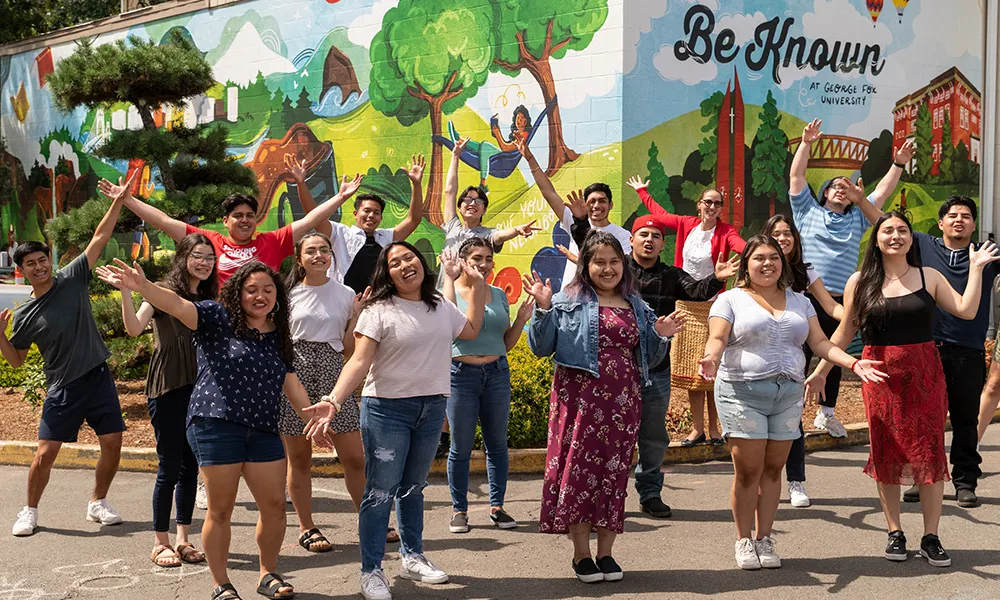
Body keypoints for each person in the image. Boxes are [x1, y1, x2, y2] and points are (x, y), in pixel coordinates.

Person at [99, 259, 331, 600]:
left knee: (275, 507)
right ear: (238, 293)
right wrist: (143, 288)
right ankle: (221, 583)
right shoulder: (216, 318)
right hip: (215, 424)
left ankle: (267, 574)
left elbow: (289, 380)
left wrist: (311, 415)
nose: (260, 296)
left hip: (264, 429)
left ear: (278, 297)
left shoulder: (277, 334)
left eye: (268, 290)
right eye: (252, 289)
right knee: (221, 509)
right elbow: (175, 304)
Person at [806, 211, 999, 568]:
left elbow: (966, 310)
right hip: (878, 375)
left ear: (911, 238)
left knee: (929, 453)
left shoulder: (929, 276)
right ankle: (895, 532)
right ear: (876, 239)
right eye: (888, 231)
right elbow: (844, 332)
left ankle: (931, 536)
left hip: (925, 373)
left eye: (903, 231)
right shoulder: (860, 281)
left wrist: (975, 270)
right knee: (887, 454)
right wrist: (821, 371)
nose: (896, 236)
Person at [301, 241, 486, 600]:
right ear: (388, 273)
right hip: (387, 409)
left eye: (410, 258)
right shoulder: (378, 310)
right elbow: (358, 362)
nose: (405, 265)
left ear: (421, 262)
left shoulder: (440, 305)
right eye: (395, 262)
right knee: (380, 491)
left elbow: (471, 331)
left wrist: (476, 287)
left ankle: (412, 556)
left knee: (413, 487)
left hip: (431, 408)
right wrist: (333, 401)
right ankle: (371, 571)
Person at [698, 235, 884, 571]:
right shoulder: (730, 300)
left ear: (783, 263)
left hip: (788, 395)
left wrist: (852, 363)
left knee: (772, 470)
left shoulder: (800, 301)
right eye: (758, 258)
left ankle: (764, 538)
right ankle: (743, 539)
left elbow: (820, 343)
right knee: (749, 471)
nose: (767, 263)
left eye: (774, 257)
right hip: (743, 392)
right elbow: (717, 337)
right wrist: (711, 357)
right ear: (746, 264)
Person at [525, 231, 684, 583]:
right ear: (586, 266)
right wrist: (543, 308)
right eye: (599, 262)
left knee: (613, 477)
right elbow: (540, 347)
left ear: (622, 265)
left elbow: (650, 358)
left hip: (623, 404)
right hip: (579, 404)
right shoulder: (568, 301)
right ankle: (582, 555)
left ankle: (606, 553)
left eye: (614, 262)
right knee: (579, 476)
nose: (608, 268)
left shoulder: (637, 305)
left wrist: (661, 334)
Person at [570, 206, 739, 519]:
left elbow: (698, 292)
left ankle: (650, 492)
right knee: (607, 434)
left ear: (664, 246)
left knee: (653, 436)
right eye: (644, 235)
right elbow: (589, 250)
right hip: (613, 369)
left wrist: (715, 279)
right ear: (631, 240)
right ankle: (605, 495)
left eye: (656, 237)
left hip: (655, 371)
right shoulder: (617, 271)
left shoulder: (671, 276)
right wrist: (582, 223)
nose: (649, 240)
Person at [2, 174, 135, 538]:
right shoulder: (25, 314)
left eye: (43, 259)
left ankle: (98, 502)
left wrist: (118, 201)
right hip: (62, 387)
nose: (40, 266)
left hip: (97, 376)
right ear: (22, 270)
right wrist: (0, 335)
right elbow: (16, 360)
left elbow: (99, 238)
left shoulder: (71, 277)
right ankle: (29, 510)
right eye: (31, 264)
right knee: (45, 453)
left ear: (49, 259)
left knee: (112, 443)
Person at [789, 118, 915, 437]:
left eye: (848, 187)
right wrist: (805, 142)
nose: (843, 189)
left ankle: (826, 413)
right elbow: (796, 175)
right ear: (825, 192)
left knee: (834, 354)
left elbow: (882, 194)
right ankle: (790, 412)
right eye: (836, 185)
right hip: (804, 295)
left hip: (839, 299)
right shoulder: (807, 211)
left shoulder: (857, 217)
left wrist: (898, 164)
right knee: (796, 354)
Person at [104, 233, 216, 566]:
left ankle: (182, 539)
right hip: (167, 387)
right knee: (169, 466)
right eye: (198, 256)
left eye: (210, 257)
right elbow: (134, 328)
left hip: (200, 389)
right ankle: (159, 542)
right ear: (183, 257)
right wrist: (127, 289)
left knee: (190, 467)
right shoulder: (160, 291)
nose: (205, 263)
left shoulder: (212, 297)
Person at [628, 176, 747, 448]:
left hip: (714, 304)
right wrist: (643, 192)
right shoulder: (687, 224)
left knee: (712, 367)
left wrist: (760, 252)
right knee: (692, 371)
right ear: (699, 205)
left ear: (720, 208)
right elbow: (659, 215)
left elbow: (741, 246)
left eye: (717, 204)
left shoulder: (726, 231)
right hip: (686, 303)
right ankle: (697, 429)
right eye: (708, 202)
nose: (712, 207)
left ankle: (716, 429)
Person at [897, 196, 999, 508]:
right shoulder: (923, 245)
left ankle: (965, 480)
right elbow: (885, 225)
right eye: (952, 215)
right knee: (926, 419)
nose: (959, 220)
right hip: (926, 348)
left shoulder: (986, 254)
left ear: (973, 224)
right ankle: (923, 477)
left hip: (968, 350)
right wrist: (862, 200)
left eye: (966, 216)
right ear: (940, 223)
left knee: (966, 419)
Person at [101, 169, 365, 286]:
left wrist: (340, 198)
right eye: (237, 215)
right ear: (226, 220)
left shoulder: (270, 242)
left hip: (263, 326)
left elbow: (308, 221)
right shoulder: (208, 241)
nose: (245, 220)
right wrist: (128, 199)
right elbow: (165, 221)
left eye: (250, 215)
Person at [278, 232, 367, 553]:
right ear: (299, 259)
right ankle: (306, 527)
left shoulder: (345, 294)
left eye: (324, 251)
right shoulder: (286, 294)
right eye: (311, 251)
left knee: (355, 457)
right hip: (295, 372)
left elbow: (347, 348)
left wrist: (356, 315)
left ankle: (369, 519)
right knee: (300, 458)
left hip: (332, 370)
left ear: (332, 255)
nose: (319, 256)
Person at [440, 238, 533, 534]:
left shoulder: (498, 294)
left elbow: (504, 342)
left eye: (488, 258)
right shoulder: (449, 292)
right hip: (461, 374)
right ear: (464, 261)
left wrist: (520, 320)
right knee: (461, 447)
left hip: (497, 373)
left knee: (497, 444)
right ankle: (459, 510)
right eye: (476, 258)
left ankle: (497, 506)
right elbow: (458, 331)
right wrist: (452, 277)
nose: (483, 264)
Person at [761, 215, 844, 509]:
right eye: (777, 233)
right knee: (759, 423)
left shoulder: (805, 271)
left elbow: (831, 305)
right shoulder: (757, 267)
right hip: (759, 355)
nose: (783, 238)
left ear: (795, 240)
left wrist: (854, 316)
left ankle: (796, 482)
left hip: (795, 353)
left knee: (792, 418)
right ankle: (760, 482)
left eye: (788, 234)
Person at [515, 136, 632, 292]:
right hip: (570, 298)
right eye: (591, 201)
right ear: (585, 204)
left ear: (611, 205)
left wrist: (579, 262)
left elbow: (622, 272)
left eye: (602, 201)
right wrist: (530, 159)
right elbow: (548, 192)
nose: (596, 206)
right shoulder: (574, 221)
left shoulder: (622, 235)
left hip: (600, 300)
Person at [320, 155, 426, 294]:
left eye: (376, 212)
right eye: (366, 211)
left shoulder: (386, 237)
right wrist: (340, 197)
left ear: (381, 218)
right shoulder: (339, 233)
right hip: (346, 306)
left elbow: (414, 219)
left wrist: (416, 185)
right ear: (355, 214)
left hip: (380, 303)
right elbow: (317, 218)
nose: (371, 216)